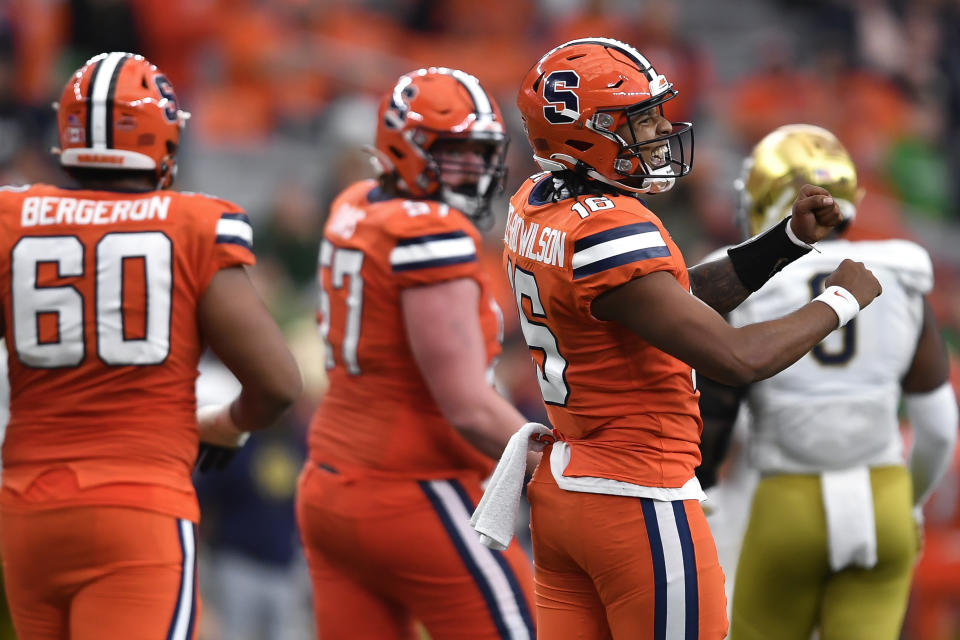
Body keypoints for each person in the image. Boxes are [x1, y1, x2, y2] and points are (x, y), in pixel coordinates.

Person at [503, 37, 882, 639]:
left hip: (568, 492)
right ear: (585, 131)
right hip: (637, 496)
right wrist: (840, 299)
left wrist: (784, 243)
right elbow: (738, 357)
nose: (657, 133)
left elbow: (672, 303)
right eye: (640, 119)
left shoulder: (535, 204)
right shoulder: (610, 226)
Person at [0, 52, 302, 640]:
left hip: (29, 510)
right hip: (139, 510)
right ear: (161, 138)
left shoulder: (12, 216)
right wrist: (227, 423)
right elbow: (278, 386)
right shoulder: (191, 224)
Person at [295, 67, 536, 640]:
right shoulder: (429, 233)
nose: (474, 170)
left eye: (482, 154)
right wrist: (558, 466)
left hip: (330, 483)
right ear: (405, 148)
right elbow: (467, 407)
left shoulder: (354, 205)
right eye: (455, 154)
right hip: (412, 487)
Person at [695, 124, 958, 640]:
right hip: (881, 496)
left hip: (788, 500)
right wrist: (905, 504)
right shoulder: (901, 274)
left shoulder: (744, 287)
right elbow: (939, 430)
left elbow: (713, 423)